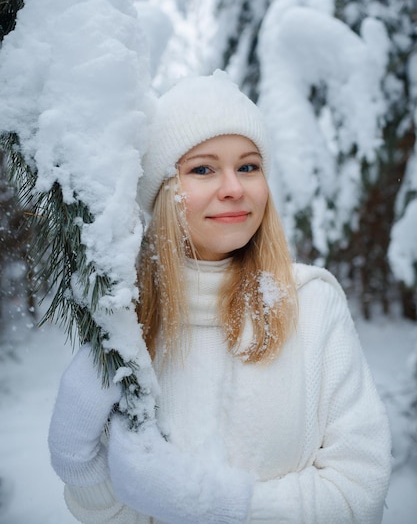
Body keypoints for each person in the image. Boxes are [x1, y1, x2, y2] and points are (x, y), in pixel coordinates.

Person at [48, 70, 392, 524]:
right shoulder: (129, 324)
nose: (234, 187)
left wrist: (216, 506)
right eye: (203, 169)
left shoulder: (312, 305)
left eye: (248, 166)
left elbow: (358, 495)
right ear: (163, 192)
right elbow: (114, 516)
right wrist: (83, 469)